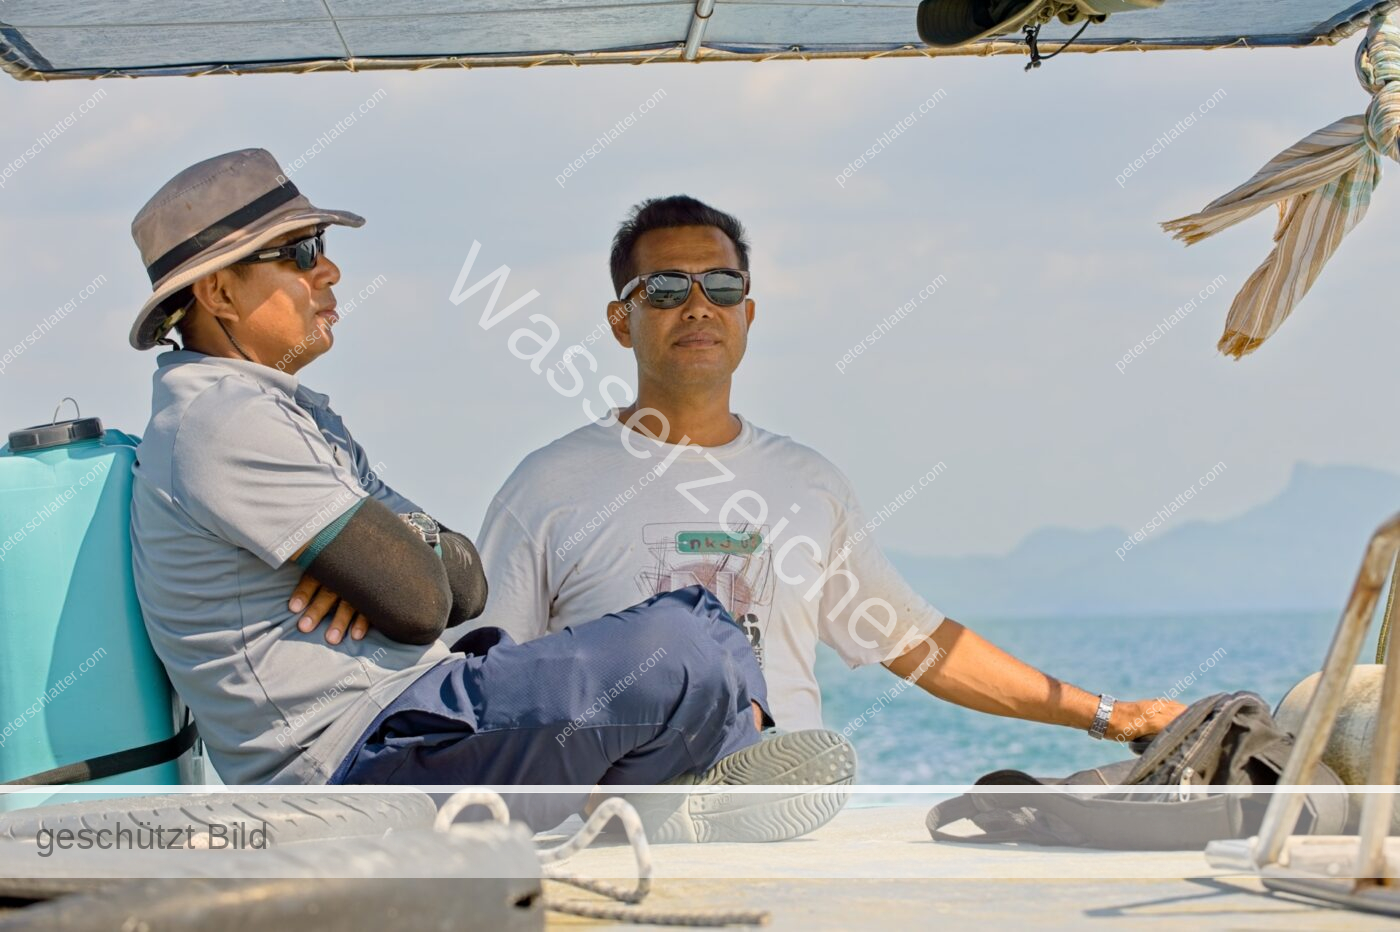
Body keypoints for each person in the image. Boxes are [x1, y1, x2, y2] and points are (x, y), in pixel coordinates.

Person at [127, 150, 854, 840]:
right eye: (301, 252)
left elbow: (464, 583)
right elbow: (419, 603)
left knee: (703, 617)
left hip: (417, 717)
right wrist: (388, 564)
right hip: (366, 757)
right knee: (680, 645)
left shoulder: (291, 412)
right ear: (219, 292)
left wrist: (383, 555)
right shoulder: (223, 420)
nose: (330, 270)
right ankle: (707, 775)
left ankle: (690, 786)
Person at [470, 195, 1185, 746]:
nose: (697, 307)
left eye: (721, 286)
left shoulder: (807, 485)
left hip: (781, 828)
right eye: (664, 288)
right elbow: (482, 681)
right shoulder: (548, 487)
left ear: (748, 313)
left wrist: (1110, 715)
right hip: (610, 838)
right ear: (620, 320)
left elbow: (918, 644)